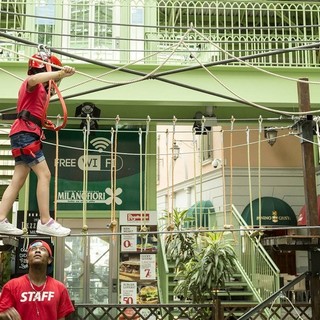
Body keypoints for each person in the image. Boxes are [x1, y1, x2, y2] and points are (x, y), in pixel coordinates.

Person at [0, 50, 75, 237]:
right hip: (26, 134)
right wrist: (59, 72)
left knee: (18, 180)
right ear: (46, 69)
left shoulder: (41, 91)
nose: (54, 84)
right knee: (45, 175)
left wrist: (59, 76)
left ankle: (0, 218)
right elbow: (33, 80)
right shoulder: (31, 84)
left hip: (23, 134)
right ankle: (45, 220)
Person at [0, 240, 75, 319]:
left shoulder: (60, 288)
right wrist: (3, 316)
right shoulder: (11, 286)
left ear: (49, 260)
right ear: (27, 259)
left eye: (42, 249)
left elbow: (61, 318)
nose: (37, 251)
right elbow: (2, 313)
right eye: (33, 249)